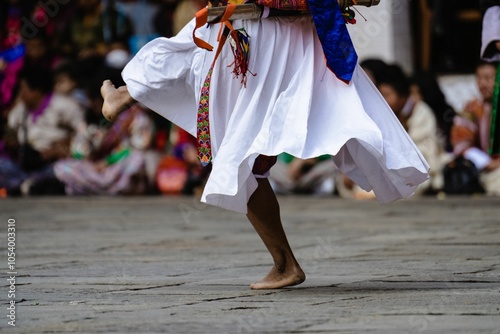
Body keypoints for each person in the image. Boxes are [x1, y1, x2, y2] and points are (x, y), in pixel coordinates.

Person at [100, 1, 429, 289]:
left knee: (238, 151)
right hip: (293, 35)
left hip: (260, 36)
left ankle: (285, 264)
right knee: (243, 148)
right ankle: (285, 264)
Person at [377, 64, 450, 194]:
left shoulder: (421, 112)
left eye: (387, 95)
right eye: (381, 95)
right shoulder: (387, 113)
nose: (384, 100)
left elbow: (424, 149)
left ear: (402, 96)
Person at [451, 61, 500, 195]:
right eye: (479, 78)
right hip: (485, 168)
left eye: (489, 78)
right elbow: (461, 143)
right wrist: (485, 162)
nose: (483, 84)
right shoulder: (472, 108)